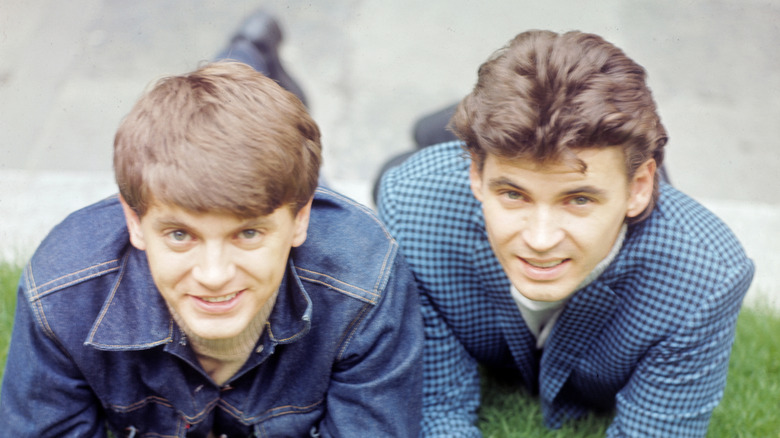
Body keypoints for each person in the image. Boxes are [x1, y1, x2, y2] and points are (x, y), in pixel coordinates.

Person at [0, 60, 423, 436]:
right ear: (134, 222)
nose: (214, 274)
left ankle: (249, 61)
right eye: (180, 235)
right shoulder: (63, 291)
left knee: (286, 177)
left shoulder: (365, 278)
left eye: (248, 234)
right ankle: (248, 58)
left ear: (300, 220)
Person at [377, 30, 754, 437]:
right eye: (513, 194)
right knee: (395, 169)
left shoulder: (706, 276)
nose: (540, 240)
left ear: (639, 187)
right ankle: (436, 134)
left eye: (578, 200)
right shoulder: (412, 204)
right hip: (437, 176)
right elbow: (436, 406)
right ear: (475, 175)